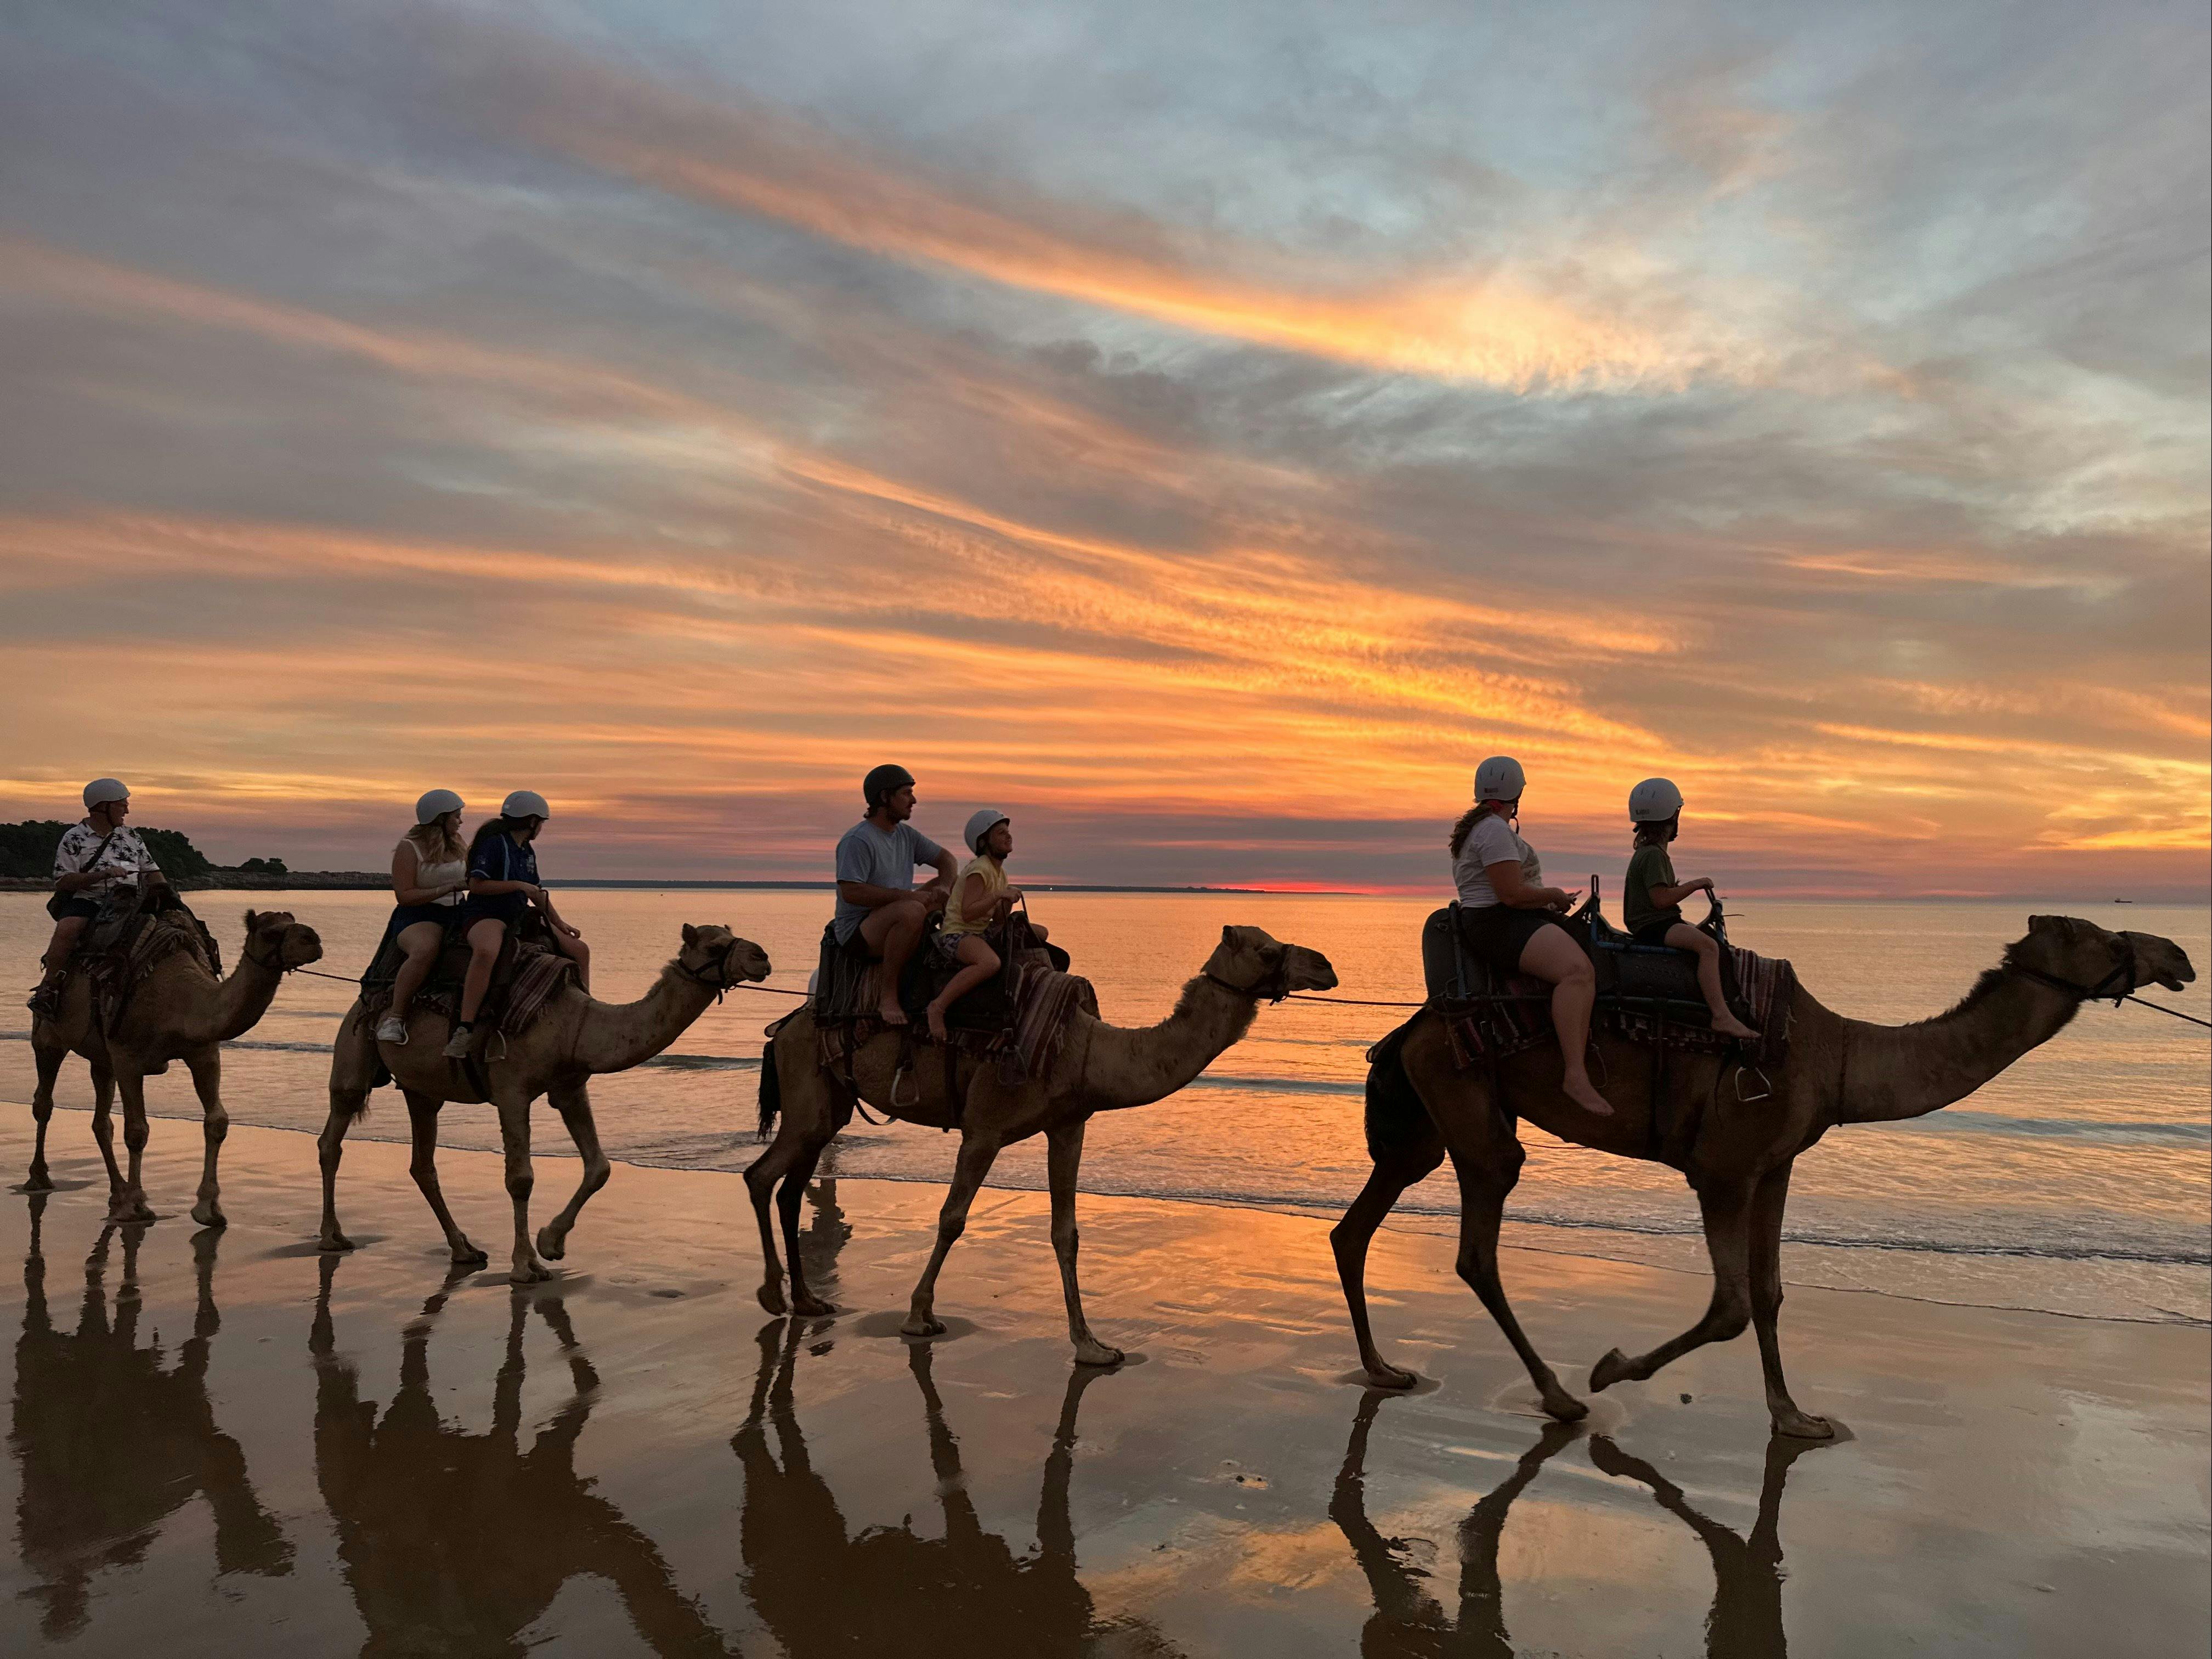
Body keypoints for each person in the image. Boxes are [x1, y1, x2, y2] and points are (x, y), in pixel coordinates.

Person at [1448, 756, 1611, 1118]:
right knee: (1577, 973)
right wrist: (1552, 894)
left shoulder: (1481, 828)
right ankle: (1575, 1074)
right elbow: (1510, 894)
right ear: (1517, 793)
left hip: (1500, 918)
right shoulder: (1493, 830)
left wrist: (1546, 905)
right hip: (1498, 923)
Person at [442, 791, 589, 1059]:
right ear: (532, 821)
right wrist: (519, 886)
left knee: (580, 950)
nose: (542, 828)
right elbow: (477, 885)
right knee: (487, 951)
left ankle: (584, 1012)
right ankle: (465, 1028)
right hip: (486, 915)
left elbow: (537, 893)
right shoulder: (494, 844)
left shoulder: (526, 851)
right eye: (541, 822)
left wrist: (559, 923)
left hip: (519, 916)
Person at [1623, 778, 1760, 1041]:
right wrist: (1696, 884)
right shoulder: (1654, 855)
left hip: (1654, 923)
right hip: (1656, 926)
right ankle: (1721, 1016)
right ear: (1674, 816)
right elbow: (1661, 900)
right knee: (1708, 948)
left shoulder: (1647, 853)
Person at [29, 778, 168, 1017]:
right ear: (104, 807)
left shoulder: (131, 836)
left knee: (179, 928)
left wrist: (169, 899)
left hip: (131, 902)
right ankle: (49, 990)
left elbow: (152, 872)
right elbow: (64, 881)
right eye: (122, 804)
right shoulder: (75, 838)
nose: (127, 810)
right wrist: (102, 875)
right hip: (89, 900)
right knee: (68, 929)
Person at [831, 765, 958, 1026]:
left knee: (957, 882)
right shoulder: (858, 840)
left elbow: (947, 859)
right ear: (885, 797)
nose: (914, 800)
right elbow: (851, 892)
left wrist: (945, 885)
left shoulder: (906, 835)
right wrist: (905, 897)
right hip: (859, 931)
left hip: (896, 912)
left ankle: (955, 944)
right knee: (911, 910)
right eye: (906, 793)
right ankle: (887, 996)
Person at [373, 790, 471, 1046]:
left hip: (459, 911)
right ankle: (396, 1019)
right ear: (440, 818)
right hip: (418, 915)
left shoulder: (458, 841)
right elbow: (404, 896)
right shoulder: (409, 847)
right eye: (456, 816)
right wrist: (448, 888)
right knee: (426, 949)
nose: (460, 822)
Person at [923, 808, 1028, 1041]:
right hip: (958, 933)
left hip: (979, 931)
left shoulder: (1000, 873)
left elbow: (998, 920)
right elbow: (968, 913)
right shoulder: (980, 869)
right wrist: (998, 895)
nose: (1008, 836)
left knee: (1038, 934)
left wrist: (1007, 903)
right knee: (989, 963)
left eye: (1008, 831)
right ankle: (938, 1007)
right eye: (1001, 833)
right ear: (984, 842)